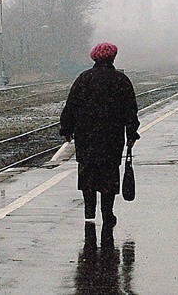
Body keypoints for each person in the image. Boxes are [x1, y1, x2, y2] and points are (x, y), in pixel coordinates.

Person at [60, 42, 140, 226]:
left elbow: (70, 106)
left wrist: (66, 129)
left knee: (87, 171)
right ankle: (107, 212)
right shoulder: (121, 80)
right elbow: (130, 110)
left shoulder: (83, 79)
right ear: (113, 57)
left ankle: (89, 210)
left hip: (86, 137)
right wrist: (132, 133)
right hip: (112, 137)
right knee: (109, 173)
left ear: (94, 58)